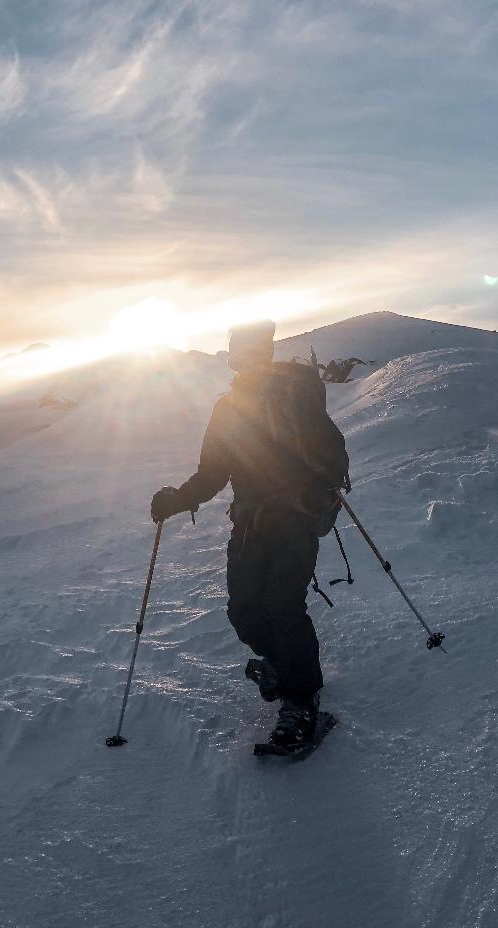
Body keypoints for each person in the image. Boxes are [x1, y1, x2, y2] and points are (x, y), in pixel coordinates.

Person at [149, 320, 349, 750]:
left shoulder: (296, 397)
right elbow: (213, 472)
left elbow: (331, 454)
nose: (243, 357)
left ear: (265, 351)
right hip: (250, 523)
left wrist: (313, 492)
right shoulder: (229, 408)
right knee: (243, 610)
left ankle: (301, 700)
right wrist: (178, 499)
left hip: (293, 519)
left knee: (282, 605)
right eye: (238, 349)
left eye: (251, 349)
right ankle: (283, 666)